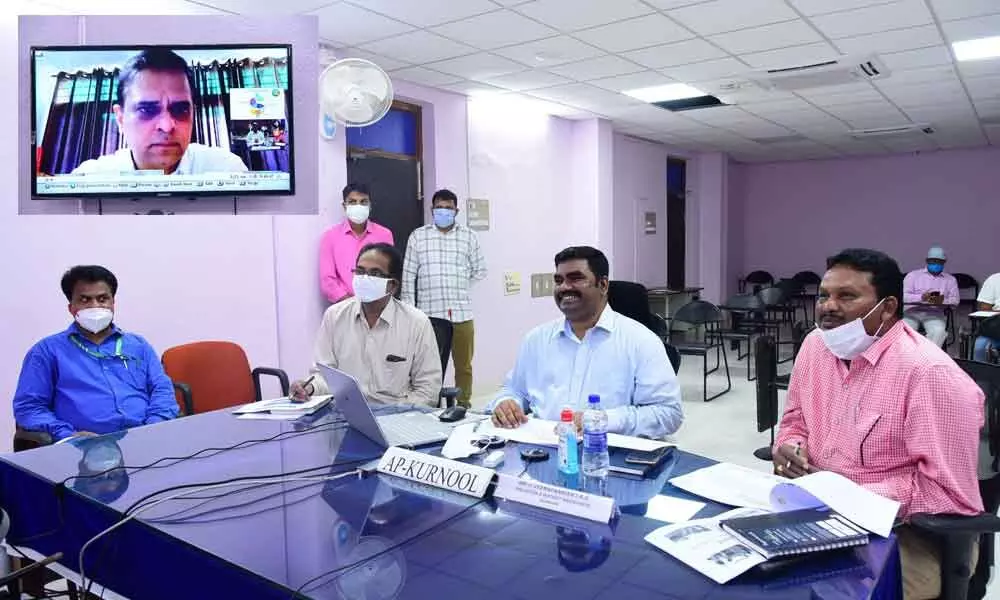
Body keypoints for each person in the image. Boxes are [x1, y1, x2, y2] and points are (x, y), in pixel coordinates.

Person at [773, 248, 984, 600]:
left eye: (847, 296)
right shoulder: (815, 346)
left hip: (907, 533)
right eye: (824, 295)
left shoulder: (929, 375)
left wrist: (847, 495)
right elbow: (795, 419)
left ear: (887, 307)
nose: (828, 307)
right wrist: (790, 446)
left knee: (801, 587)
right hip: (819, 511)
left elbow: (949, 495)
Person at [488, 246, 683, 438]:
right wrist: (506, 403)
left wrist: (602, 420)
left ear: (603, 285)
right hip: (542, 450)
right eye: (559, 280)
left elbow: (668, 414)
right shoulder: (536, 339)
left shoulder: (640, 341)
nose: (564, 287)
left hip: (608, 455)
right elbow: (515, 389)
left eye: (576, 278)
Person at [13, 266, 179, 442]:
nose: (95, 306)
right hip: (83, 449)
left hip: (145, 439)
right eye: (85, 300)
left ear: (113, 303)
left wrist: (153, 426)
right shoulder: (47, 351)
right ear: (71, 308)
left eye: (102, 299)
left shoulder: (138, 345)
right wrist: (67, 435)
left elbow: (161, 389)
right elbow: (29, 407)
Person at [291, 243, 441, 407]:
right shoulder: (334, 316)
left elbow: (428, 391)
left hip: (397, 416)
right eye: (360, 271)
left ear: (392, 285)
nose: (365, 278)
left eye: (375, 273)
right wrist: (310, 388)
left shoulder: (416, 323)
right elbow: (324, 376)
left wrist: (395, 413)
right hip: (345, 415)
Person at [71, 48, 248, 176]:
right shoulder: (90, 178)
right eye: (146, 110)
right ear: (120, 118)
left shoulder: (227, 170)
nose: (167, 126)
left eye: (181, 110)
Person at [402, 189, 487, 408]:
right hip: (430, 314)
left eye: (449, 208)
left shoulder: (469, 236)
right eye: (440, 207)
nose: (444, 211)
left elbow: (480, 270)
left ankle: (463, 406)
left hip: (461, 312)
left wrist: (457, 282)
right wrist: (411, 312)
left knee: (464, 365)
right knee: (430, 367)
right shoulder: (418, 236)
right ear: (432, 209)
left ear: (456, 210)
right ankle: (429, 407)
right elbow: (409, 274)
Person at [319, 183, 394, 304]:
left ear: (370, 205)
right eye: (353, 202)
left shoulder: (384, 235)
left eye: (363, 202)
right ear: (344, 206)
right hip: (344, 308)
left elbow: (390, 273)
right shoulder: (330, 237)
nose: (358, 206)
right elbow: (328, 280)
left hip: (379, 305)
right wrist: (351, 304)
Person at [901, 246, 959, 347]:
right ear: (927, 261)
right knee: (904, 331)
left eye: (939, 261)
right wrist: (921, 298)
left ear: (944, 262)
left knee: (938, 332)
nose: (936, 264)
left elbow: (955, 300)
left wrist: (941, 301)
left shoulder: (950, 280)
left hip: (934, 314)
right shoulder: (913, 276)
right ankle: (909, 358)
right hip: (911, 313)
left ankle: (928, 358)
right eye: (933, 261)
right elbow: (902, 296)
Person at [974, 271, 1000, 361]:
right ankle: (980, 374)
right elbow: (984, 308)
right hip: (997, 326)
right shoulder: (994, 279)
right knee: (980, 346)